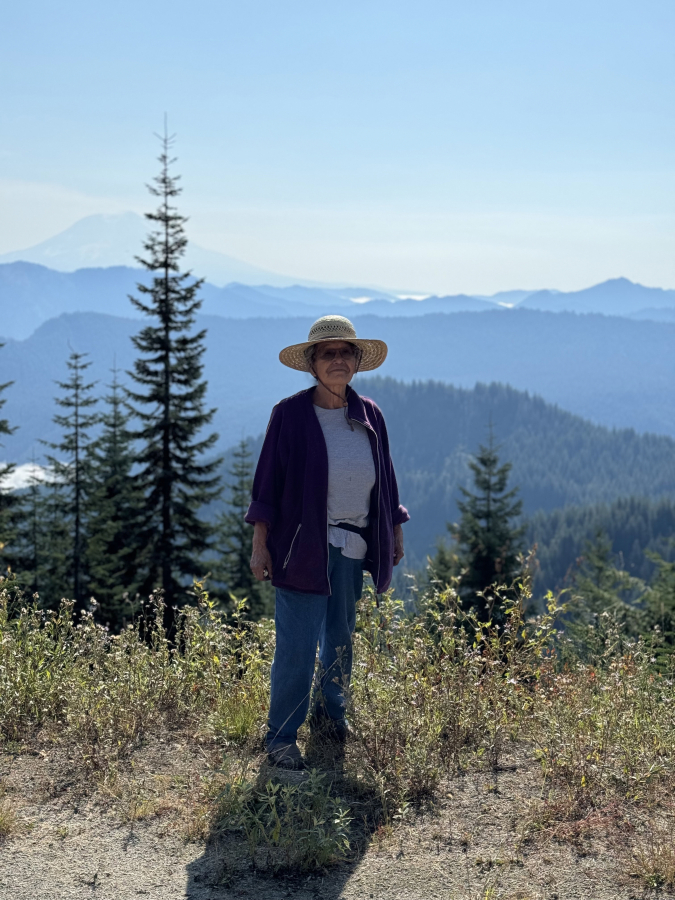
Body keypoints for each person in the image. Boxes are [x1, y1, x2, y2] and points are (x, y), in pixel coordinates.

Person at [245, 315, 409, 770]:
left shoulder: (369, 413)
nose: (337, 359)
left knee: (340, 639)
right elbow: (267, 486)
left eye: (345, 352)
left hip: (352, 546)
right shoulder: (290, 415)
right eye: (327, 353)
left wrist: (393, 527)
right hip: (301, 547)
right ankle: (280, 736)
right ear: (312, 364)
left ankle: (330, 719)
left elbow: (386, 480)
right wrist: (261, 545)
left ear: (357, 362)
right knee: (296, 645)